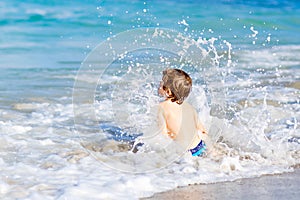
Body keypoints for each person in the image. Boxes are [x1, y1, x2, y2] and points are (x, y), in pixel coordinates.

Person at [157, 68, 209, 156]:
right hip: (200, 146)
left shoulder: (161, 107)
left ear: (168, 92)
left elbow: (163, 135)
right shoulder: (189, 107)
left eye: (161, 83)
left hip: (186, 153)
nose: (159, 84)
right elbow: (202, 130)